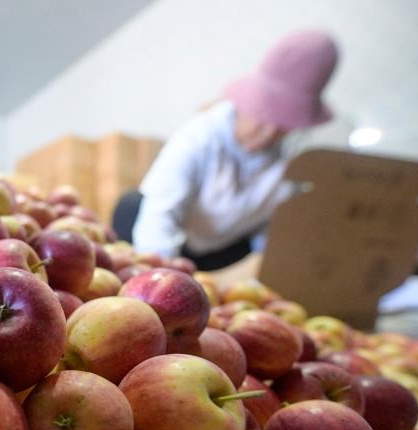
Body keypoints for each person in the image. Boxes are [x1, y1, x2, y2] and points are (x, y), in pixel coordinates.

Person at [121, 30, 340, 271]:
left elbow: (273, 230)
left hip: (219, 251)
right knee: (131, 207)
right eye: (263, 116)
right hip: (176, 236)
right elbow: (161, 212)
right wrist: (161, 275)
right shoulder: (199, 137)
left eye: (283, 125)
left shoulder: (295, 163)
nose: (268, 133)